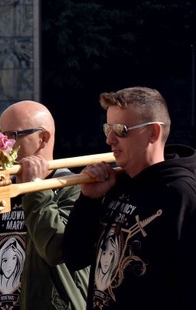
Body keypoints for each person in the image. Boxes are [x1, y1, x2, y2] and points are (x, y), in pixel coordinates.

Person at [62, 87, 196, 309]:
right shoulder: (115, 185)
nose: (110, 140)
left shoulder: (183, 195)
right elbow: (74, 257)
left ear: (153, 132)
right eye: (107, 128)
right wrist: (89, 200)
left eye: (120, 130)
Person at [0, 100, 89, 309]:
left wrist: (35, 186)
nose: (4, 146)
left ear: (43, 138)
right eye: (0, 137)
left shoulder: (75, 190)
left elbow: (56, 250)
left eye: (12, 136)